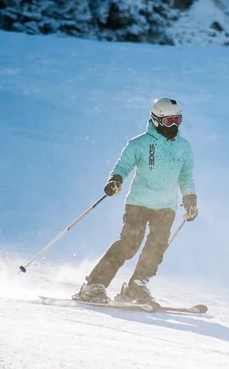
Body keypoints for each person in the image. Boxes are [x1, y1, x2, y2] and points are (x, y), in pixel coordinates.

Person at [75, 98, 198, 304]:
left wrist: (190, 198)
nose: (175, 126)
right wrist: (115, 180)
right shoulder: (139, 144)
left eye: (178, 120)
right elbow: (123, 165)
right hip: (139, 203)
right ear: (156, 120)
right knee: (129, 244)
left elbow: (185, 175)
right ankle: (94, 285)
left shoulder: (184, 147)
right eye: (169, 122)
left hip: (166, 206)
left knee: (156, 247)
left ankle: (137, 285)